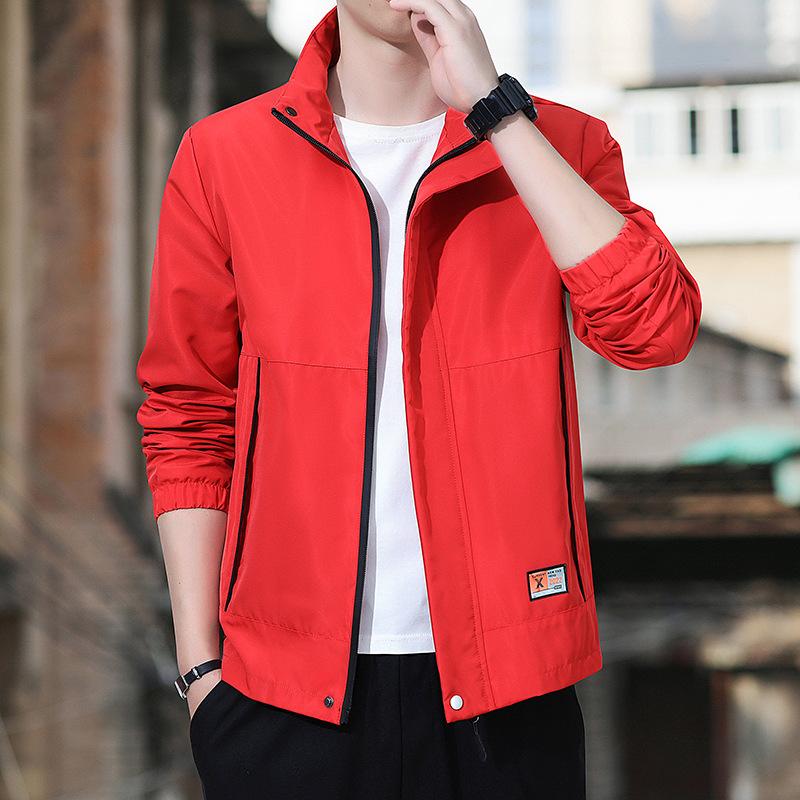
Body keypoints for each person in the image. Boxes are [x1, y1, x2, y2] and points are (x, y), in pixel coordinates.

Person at [135, 1, 702, 798]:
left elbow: (655, 330)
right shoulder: (225, 156)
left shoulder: (561, 146)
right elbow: (189, 414)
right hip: (281, 702)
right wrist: (201, 670)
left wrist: (498, 114)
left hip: (509, 698)